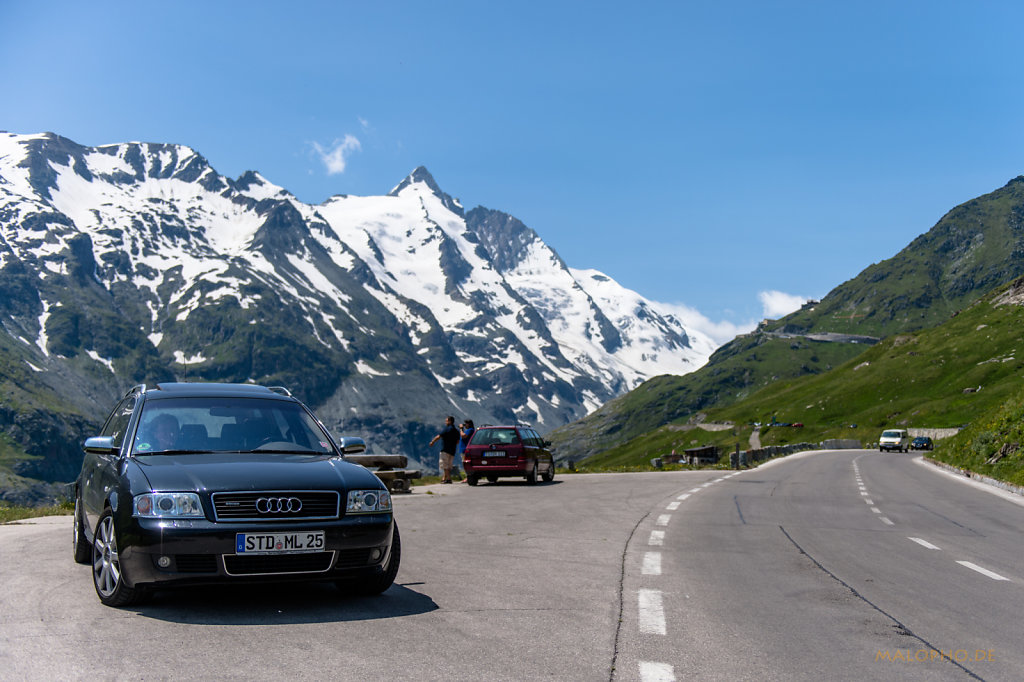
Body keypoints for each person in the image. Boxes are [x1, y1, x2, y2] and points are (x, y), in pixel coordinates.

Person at [428, 416, 460, 484]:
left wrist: (432, 442)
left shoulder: (447, 429)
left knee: (444, 465)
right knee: (449, 465)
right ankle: (444, 478)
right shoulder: (456, 431)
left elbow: (439, 436)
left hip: (445, 449)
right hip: (452, 450)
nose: (445, 422)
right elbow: (458, 442)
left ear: (450, 421)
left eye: (446, 421)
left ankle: (448, 479)